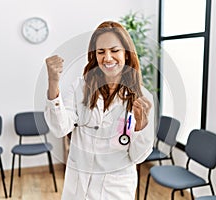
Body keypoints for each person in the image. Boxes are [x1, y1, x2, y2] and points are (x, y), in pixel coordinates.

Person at [44, 21, 155, 200]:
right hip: (78, 186)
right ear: (94, 56)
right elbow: (60, 128)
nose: (108, 58)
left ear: (126, 54)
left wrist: (141, 126)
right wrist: (53, 83)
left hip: (115, 189)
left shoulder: (143, 98)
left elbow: (138, 157)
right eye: (101, 52)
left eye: (114, 50)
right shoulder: (80, 87)